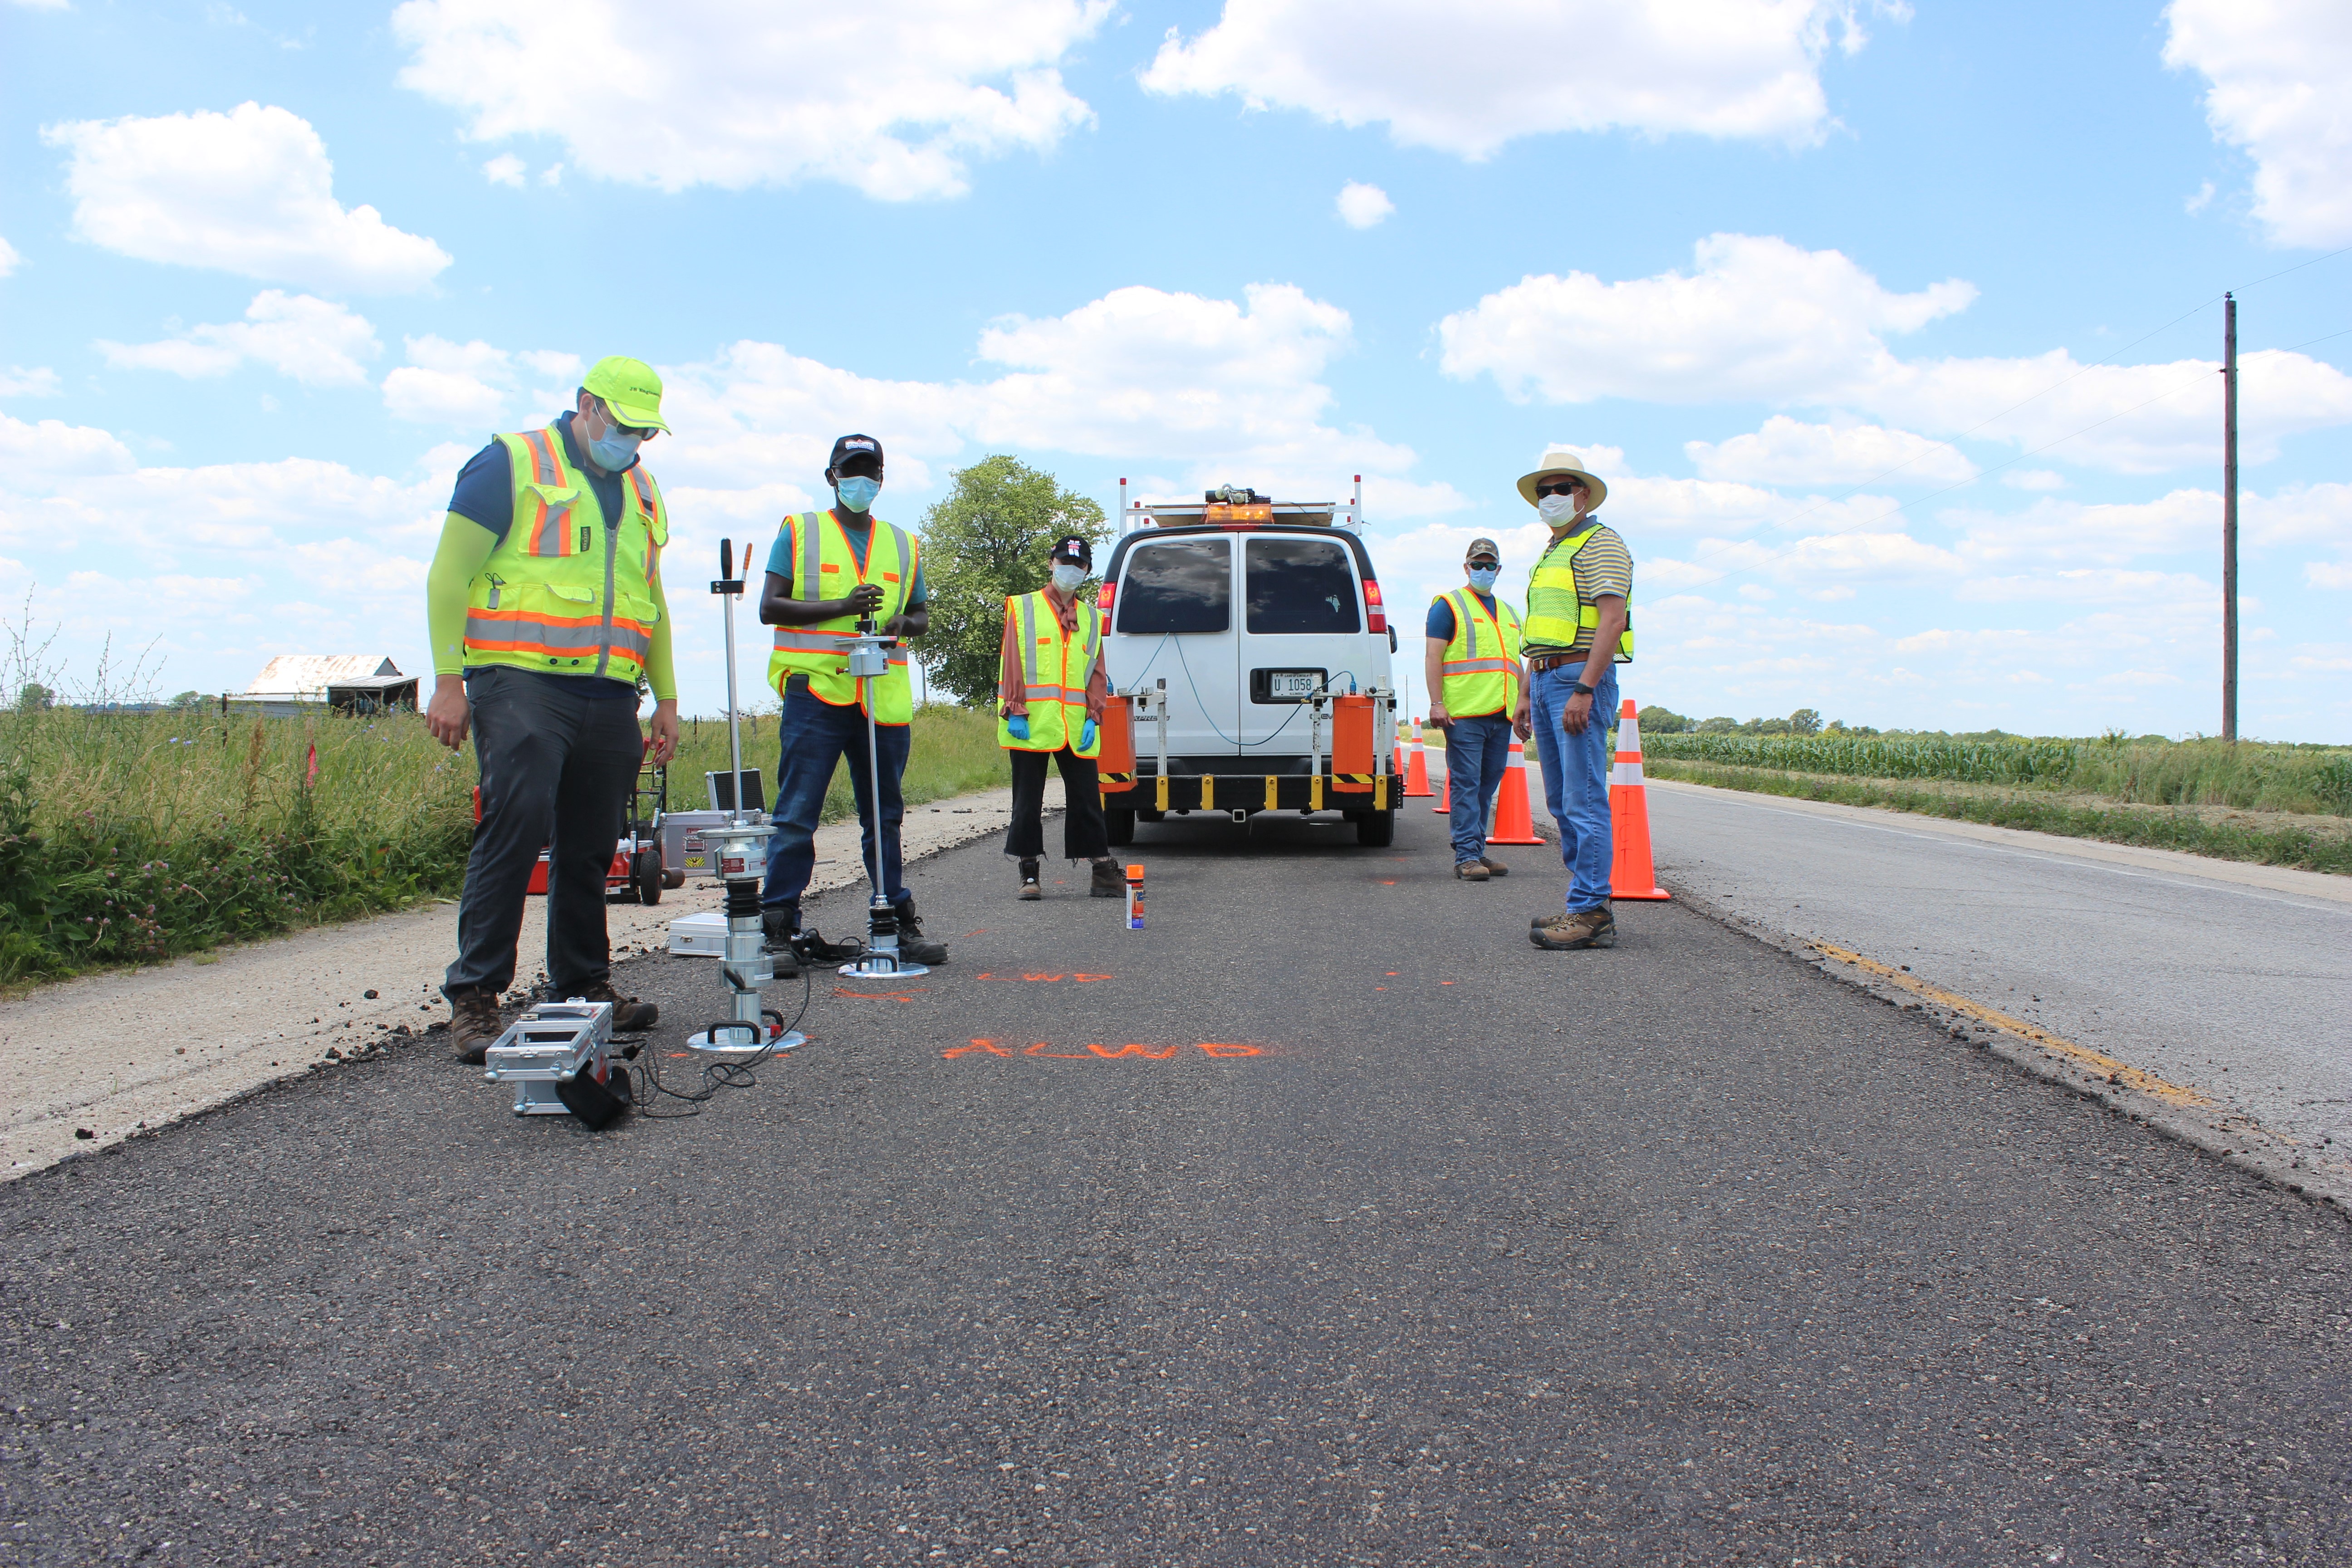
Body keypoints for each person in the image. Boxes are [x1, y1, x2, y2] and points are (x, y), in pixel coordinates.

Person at [423, 356, 679, 1063]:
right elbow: (448, 574)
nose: (632, 442)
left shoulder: (647, 494)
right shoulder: (509, 462)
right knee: (517, 825)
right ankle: (475, 998)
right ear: (586, 406)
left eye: (644, 433)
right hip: (520, 682)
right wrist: (450, 680)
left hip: (608, 693)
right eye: (623, 426)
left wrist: (669, 698)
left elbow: (652, 604)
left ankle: (582, 984)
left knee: (593, 844)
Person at [758, 434, 946, 967]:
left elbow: (922, 616)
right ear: (832, 476)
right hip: (816, 691)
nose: (860, 481)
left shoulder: (904, 544)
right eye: (850, 471)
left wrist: (901, 623)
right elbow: (770, 607)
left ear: (881, 480)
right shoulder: (800, 531)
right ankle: (778, 927)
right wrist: (843, 604)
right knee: (797, 816)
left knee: (884, 816)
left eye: (870, 472)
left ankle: (894, 921)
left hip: (879, 696)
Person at [1510, 446, 1633, 952]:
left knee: (1583, 800)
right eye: (1545, 490)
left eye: (1562, 488)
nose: (1552, 497)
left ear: (1583, 494)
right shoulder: (1554, 550)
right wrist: (1525, 691)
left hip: (1576, 678)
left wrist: (1584, 687)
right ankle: (1584, 902)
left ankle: (1591, 912)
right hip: (1545, 679)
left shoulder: (1600, 544)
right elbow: (1539, 632)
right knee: (1562, 802)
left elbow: (1613, 619)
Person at [998, 534, 1121, 899]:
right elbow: (1012, 663)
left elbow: (1096, 671)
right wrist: (1016, 710)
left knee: (1086, 798)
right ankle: (1029, 874)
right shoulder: (1023, 608)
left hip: (1076, 723)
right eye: (1065, 563)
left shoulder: (1091, 617)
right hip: (1031, 722)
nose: (1072, 570)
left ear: (1087, 570)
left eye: (1079, 565)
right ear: (1051, 563)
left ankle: (1101, 870)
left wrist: (1094, 715)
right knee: (1027, 800)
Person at [1424, 537, 1527, 882]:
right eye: (1477, 565)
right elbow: (1433, 657)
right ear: (1467, 567)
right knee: (1467, 784)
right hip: (1465, 714)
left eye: (1490, 565)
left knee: (1486, 786)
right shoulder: (1449, 606)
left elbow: (1516, 665)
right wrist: (1436, 703)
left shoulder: (1511, 614)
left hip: (1502, 715)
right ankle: (1467, 856)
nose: (1484, 570)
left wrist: (1524, 707)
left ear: (1499, 569)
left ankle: (1476, 849)